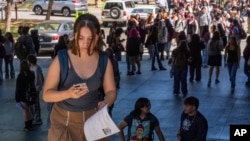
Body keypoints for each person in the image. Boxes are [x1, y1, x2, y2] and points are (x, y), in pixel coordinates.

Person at [43, 14, 116, 141]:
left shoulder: (104, 60)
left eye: (90, 38)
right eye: (81, 38)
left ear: (97, 36)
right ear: (75, 35)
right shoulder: (61, 59)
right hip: (63, 120)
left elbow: (111, 91)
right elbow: (46, 95)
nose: (85, 43)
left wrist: (106, 101)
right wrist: (68, 93)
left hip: (93, 119)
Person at [15, 60, 36, 131]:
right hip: (30, 96)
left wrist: (17, 98)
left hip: (23, 96)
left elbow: (18, 88)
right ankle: (30, 125)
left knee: (25, 111)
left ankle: (27, 126)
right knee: (28, 110)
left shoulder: (20, 76)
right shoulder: (31, 74)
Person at [27, 55, 44, 125]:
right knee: (32, 103)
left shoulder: (36, 68)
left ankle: (38, 118)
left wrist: (36, 87)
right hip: (33, 88)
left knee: (36, 104)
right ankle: (34, 117)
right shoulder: (32, 68)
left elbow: (38, 79)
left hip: (35, 88)